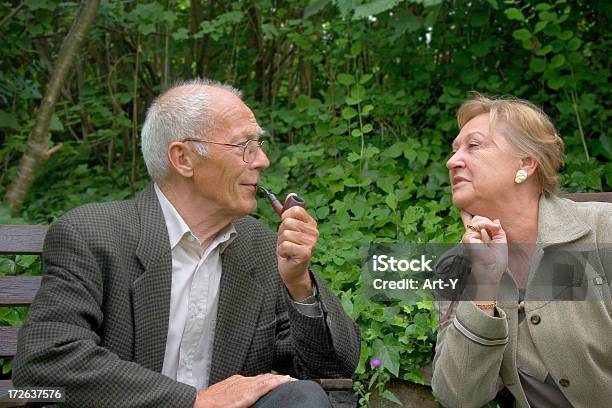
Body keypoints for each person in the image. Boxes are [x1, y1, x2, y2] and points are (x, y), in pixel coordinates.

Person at [12, 79, 360, 407]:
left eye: (260, 146)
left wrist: (299, 284)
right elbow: (45, 361)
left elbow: (331, 369)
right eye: (245, 146)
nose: (262, 161)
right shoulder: (93, 235)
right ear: (183, 159)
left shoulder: (260, 247)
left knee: (303, 399)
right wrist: (194, 401)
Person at [431, 94, 612, 407]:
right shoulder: (454, 268)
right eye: (454, 150)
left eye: (473, 145)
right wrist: (484, 286)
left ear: (526, 163)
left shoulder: (602, 229)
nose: (452, 161)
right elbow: (458, 396)